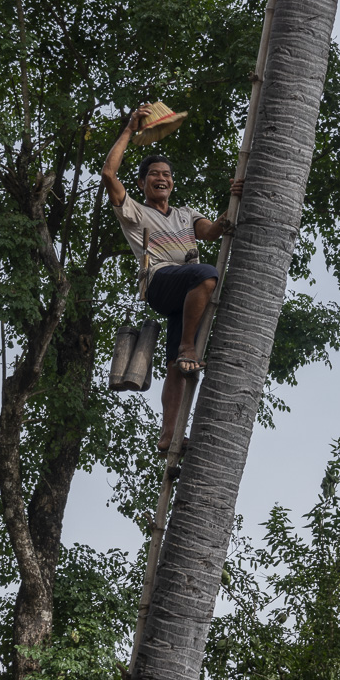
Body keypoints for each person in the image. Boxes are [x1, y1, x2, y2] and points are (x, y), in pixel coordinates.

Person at [102, 105, 243, 454]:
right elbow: (108, 174)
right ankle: (187, 347)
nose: (161, 178)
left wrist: (237, 199)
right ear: (141, 182)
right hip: (161, 282)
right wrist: (129, 130)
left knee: (177, 369)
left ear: (173, 182)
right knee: (208, 275)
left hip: (187, 294)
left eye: (166, 174)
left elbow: (213, 231)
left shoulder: (185, 214)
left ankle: (168, 436)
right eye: (153, 174)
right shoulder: (135, 211)